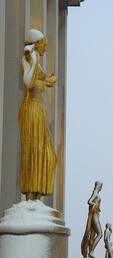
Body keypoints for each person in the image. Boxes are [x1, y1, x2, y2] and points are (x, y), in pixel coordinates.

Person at [19, 29, 57, 201]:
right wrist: (33, 61)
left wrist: (49, 81)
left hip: (38, 111)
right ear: (36, 44)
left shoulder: (36, 61)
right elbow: (27, 82)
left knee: (48, 155)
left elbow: (39, 82)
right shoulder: (28, 59)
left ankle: (36, 194)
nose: (46, 49)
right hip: (31, 110)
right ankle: (30, 195)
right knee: (33, 151)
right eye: (44, 44)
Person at [81, 181, 103, 258]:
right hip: (94, 215)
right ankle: (91, 251)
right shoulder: (95, 193)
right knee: (100, 234)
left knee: (95, 234)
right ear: (99, 186)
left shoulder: (96, 193)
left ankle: (91, 251)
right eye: (101, 186)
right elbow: (89, 201)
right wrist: (94, 205)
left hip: (95, 214)